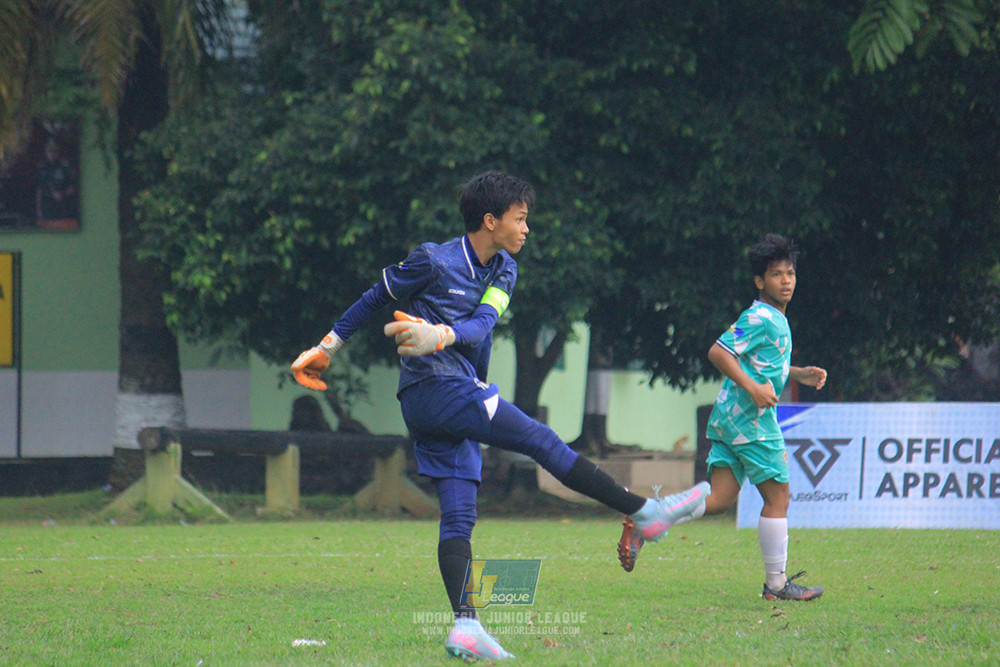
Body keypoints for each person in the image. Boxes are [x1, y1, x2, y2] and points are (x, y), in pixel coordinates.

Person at [291, 171, 710, 660]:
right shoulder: (432, 259)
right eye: (520, 218)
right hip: (434, 391)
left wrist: (440, 334)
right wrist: (326, 347)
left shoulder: (504, 268)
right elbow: (375, 298)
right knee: (542, 441)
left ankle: (466, 627)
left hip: (455, 395)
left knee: (460, 516)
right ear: (490, 221)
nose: (527, 228)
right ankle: (645, 512)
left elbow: (482, 323)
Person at [618, 233, 826, 602]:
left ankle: (647, 517)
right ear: (759, 281)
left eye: (790, 273)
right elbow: (719, 352)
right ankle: (776, 586)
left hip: (730, 417)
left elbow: (758, 362)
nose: (786, 280)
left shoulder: (772, 318)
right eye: (776, 274)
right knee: (779, 499)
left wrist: (796, 374)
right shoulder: (760, 316)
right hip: (752, 419)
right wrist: (754, 389)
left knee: (719, 499)